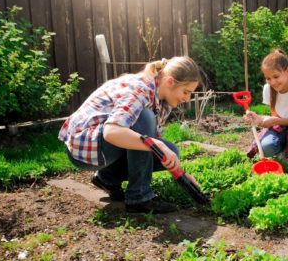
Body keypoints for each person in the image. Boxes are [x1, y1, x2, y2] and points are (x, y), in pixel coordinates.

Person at [58, 56, 201, 213]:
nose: (187, 99)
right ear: (169, 82)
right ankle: (138, 198)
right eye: (186, 92)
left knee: (171, 152)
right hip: (86, 145)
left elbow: (147, 141)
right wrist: (156, 144)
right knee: (144, 117)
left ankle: (107, 178)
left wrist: (182, 174)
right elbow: (111, 131)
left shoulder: (162, 101)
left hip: (105, 146)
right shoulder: (141, 89)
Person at [244, 49, 288, 172]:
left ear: (287, 71)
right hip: (280, 128)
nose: (272, 82)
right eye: (268, 78)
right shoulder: (268, 88)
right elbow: (274, 116)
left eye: (276, 76)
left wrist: (274, 121)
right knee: (266, 147)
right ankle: (281, 153)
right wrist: (258, 119)